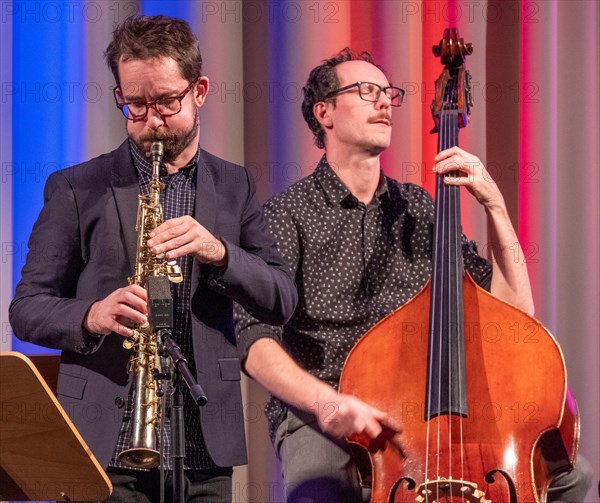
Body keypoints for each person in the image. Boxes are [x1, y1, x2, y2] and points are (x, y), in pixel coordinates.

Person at [234, 48, 593, 502]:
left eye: (388, 93)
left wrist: (495, 206)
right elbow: (254, 339)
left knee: (569, 475)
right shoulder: (287, 215)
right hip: (327, 411)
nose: (384, 102)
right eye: (367, 91)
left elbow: (515, 311)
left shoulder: (422, 208)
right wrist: (326, 403)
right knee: (318, 492)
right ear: (324, 113)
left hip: (425, 409)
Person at [9, 15, 297, 503]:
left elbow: (281, 299)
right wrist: (92, 314)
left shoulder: (235, 185)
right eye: (134, 104)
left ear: (199, 89)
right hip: (103, 446)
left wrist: (221, 253)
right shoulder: (77, 187)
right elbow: (27, 308)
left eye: (166, 101)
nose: (151, 120)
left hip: (204, 445)